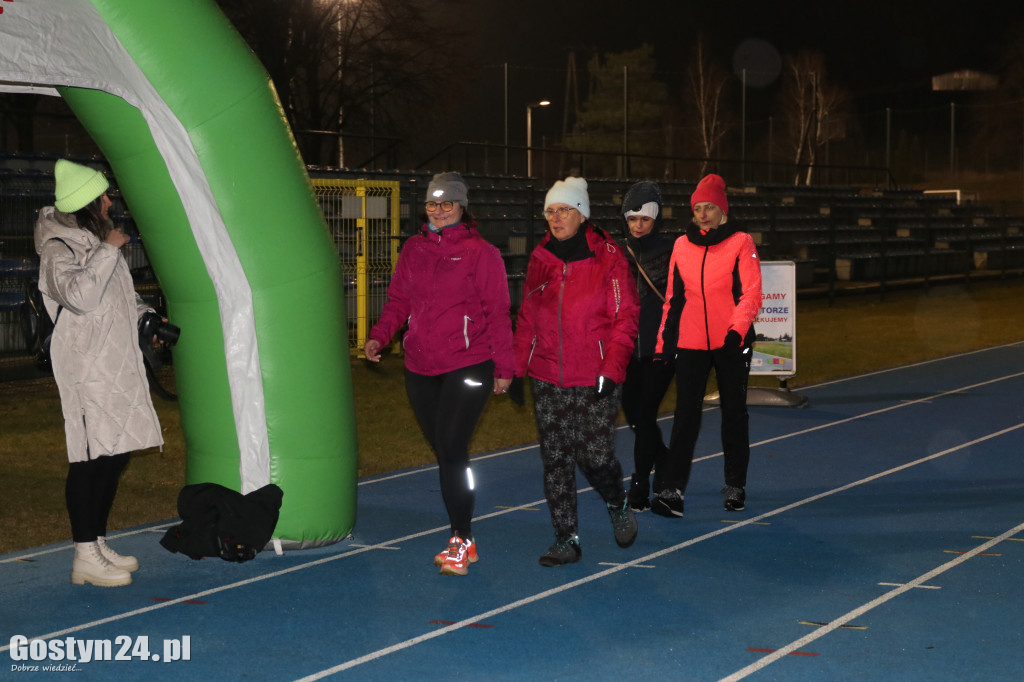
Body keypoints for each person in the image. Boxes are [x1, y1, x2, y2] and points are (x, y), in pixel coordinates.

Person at [364, 171, 514, 577]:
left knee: (451, 449)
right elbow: (398, 299)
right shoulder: (414, 249)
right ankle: (465, 537)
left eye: (447, 203)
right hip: (420, 366)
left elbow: (497, 312)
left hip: (469, 362)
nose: (439, 210)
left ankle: (460, 539)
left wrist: (505, 366)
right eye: (433, 203)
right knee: (446, 452)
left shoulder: (482, 253)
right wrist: (380, 336)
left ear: (462, 207)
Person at [36, 159, 164, 587]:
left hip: (117, 362)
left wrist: (148, 317)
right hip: (88, 369)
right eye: (104, 196)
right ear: (87, 203)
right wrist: (109, 250)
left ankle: (97, 541)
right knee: (90, 458)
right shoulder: (59, 249)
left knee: (117, 452)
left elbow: (116, 298)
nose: (111, 202)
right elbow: (80, 297)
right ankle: (83, 553)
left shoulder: (93, 242)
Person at [513, 176, 640, 566]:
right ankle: (566, 539)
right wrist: (519, 367)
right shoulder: (540, 259)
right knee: (556, 459)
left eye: (564, 210)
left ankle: (617, 502)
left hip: (595, 374)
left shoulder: (609, 257)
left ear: (581, 213)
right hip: (547, 374)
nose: (555, 217)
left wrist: (613, 367)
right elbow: (527, 317)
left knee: (595, 456)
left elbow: (626, 317)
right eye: (550, 211)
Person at [654, 173, 762, 515]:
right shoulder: (681, 246)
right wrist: (663, 345)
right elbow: (672, 299)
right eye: (697, 207)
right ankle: (672, 489)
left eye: (709, 207)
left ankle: (735, 485)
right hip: (690, 343)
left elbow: (752, 292)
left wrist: (736, 331)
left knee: (733, 413)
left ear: (722, 210)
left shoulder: (741, 242)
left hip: (731, 341)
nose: (702, 213)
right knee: (685, 415)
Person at [618, 181, 677, 516]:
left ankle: (641, 481)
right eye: (632, 219)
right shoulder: (618, 251)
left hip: (661, 348)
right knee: (636, 418)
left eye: (644, 218)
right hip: (626, 349)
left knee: (645, 414)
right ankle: (666, 459)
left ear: (656, 217)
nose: (638, 225)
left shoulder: (673, 250)